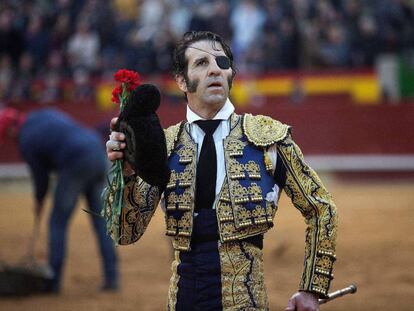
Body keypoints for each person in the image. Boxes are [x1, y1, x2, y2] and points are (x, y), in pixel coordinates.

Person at [106, 31, 338, 311]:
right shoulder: (163, 146)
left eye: (222, 63)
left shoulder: (266, 138)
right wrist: (127, 174)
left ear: (230, 75)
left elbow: (321, 208)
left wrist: (312, 288)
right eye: (201, 63)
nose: (215, 69)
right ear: (182, 80)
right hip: (182, 301)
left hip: (245, 302)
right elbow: (125, 233)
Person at [0, 107, 118, 293]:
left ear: (10, 129)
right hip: (96, 152)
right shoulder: (41, 114)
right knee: (101, 222)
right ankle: (112, 278)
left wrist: (39, 201)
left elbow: (41, 178)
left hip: (75, 163)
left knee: (57, 222)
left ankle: (53, 283)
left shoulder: (25, 139)